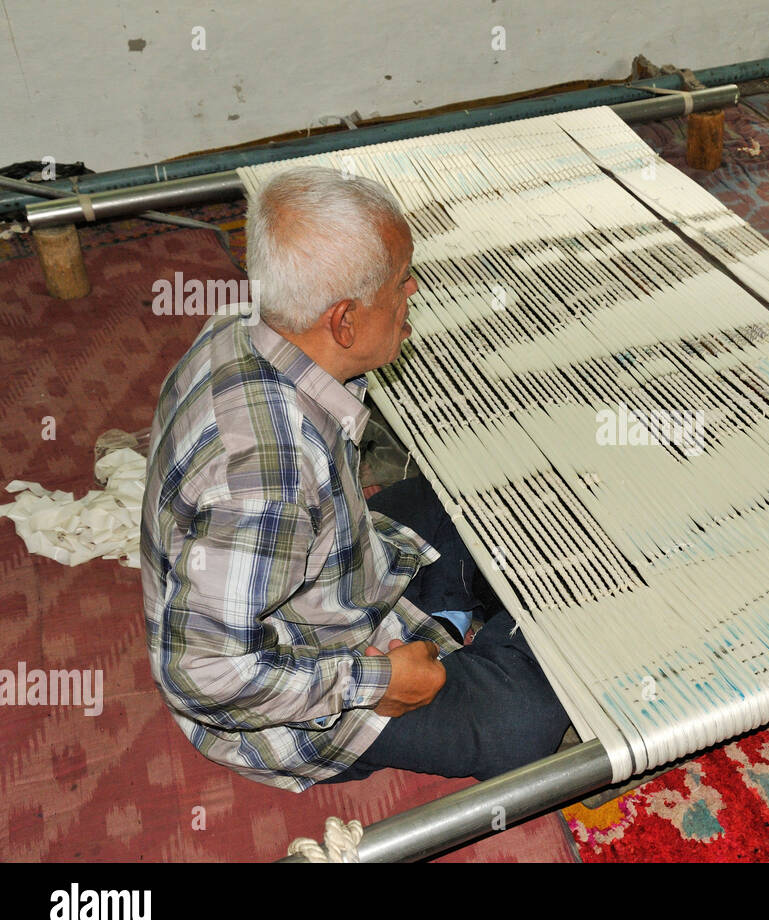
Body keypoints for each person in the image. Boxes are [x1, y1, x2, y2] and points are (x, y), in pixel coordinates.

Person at [141, 166, 570, 792]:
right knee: (524, 723)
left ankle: (454, 615)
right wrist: (378, 682)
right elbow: (200, 672)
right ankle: (484, 627)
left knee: (490, 488)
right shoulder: (268, 477)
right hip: (283, 695)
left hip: (322, 573)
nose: (413, 289)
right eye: (402, 282)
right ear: (344, 322)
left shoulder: (240, 328)